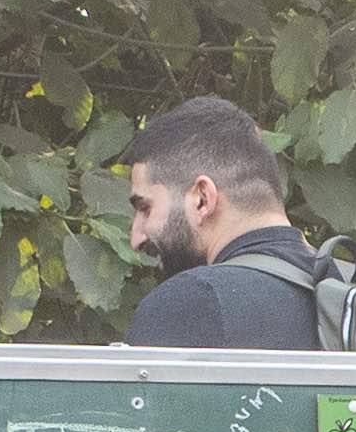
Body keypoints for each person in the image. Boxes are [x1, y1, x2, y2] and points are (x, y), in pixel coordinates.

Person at [118, 97, 330, 352]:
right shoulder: (349, 286)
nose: (136, 238)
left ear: (202, 199)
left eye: (145, 208)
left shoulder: (193, 302)